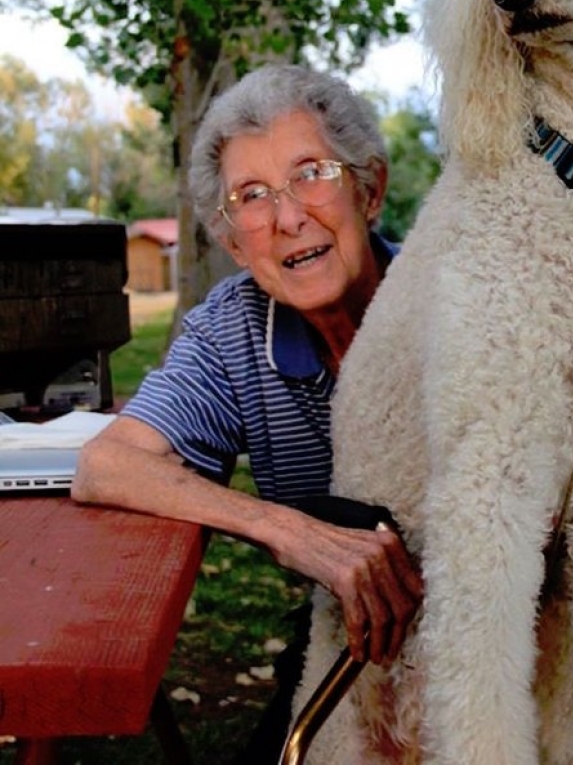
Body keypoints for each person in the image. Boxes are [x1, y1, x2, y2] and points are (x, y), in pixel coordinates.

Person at [73, 63, 422, 757]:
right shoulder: (232, 331)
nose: (288, 217)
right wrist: (283, 528)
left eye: (312, 172)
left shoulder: (451, 295)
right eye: (251, 196)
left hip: (515, 622)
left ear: (370, 188)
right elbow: (104, 465)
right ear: (235, 242)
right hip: (350, 637)